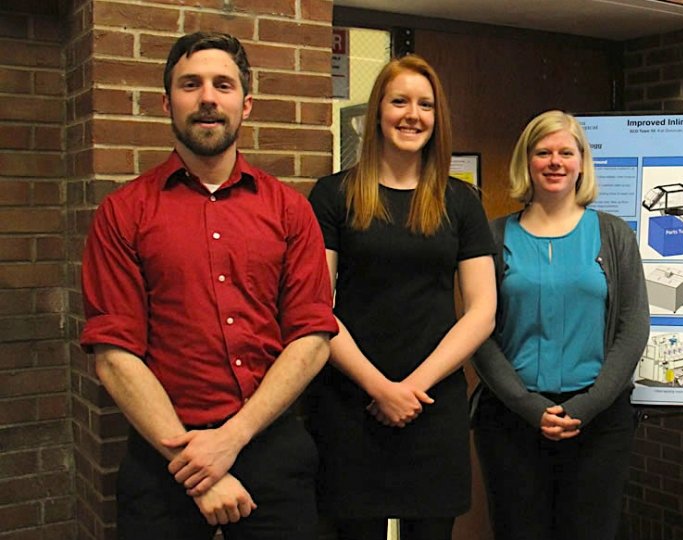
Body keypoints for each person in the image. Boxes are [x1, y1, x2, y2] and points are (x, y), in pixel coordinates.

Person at [80, 32, 337, 539]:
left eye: (222, 85)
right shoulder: (124, 212)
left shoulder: (290, 210)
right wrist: (194, 466)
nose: (206, 99)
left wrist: (231, 438)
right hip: (163, 457)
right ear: (166, 102)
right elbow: (114, 354)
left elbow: (310, 339)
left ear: (245, 103)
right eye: (190, 84)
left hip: (272, 450)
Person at [306, 55, 497, 540]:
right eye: (400, 101)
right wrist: (379, 388)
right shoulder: (332, 196)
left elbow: (482, 311)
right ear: (377, 113)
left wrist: (410, 388)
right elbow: (315, 306)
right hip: (351, 405)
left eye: (425, 104)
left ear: (437, 119)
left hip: (433, 406)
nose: (413, 114)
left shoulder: (461, 201)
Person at [471, 110, 650, 540]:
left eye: (566, 152)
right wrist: (530, 407)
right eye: (543, 152)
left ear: (582, 162)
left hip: (599, 421)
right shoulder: (493, 237)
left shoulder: (613, 234)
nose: (555, 162)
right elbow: (479, 332)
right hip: (512, 420)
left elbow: (633, 326)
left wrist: (585, 407)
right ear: (526, 161)